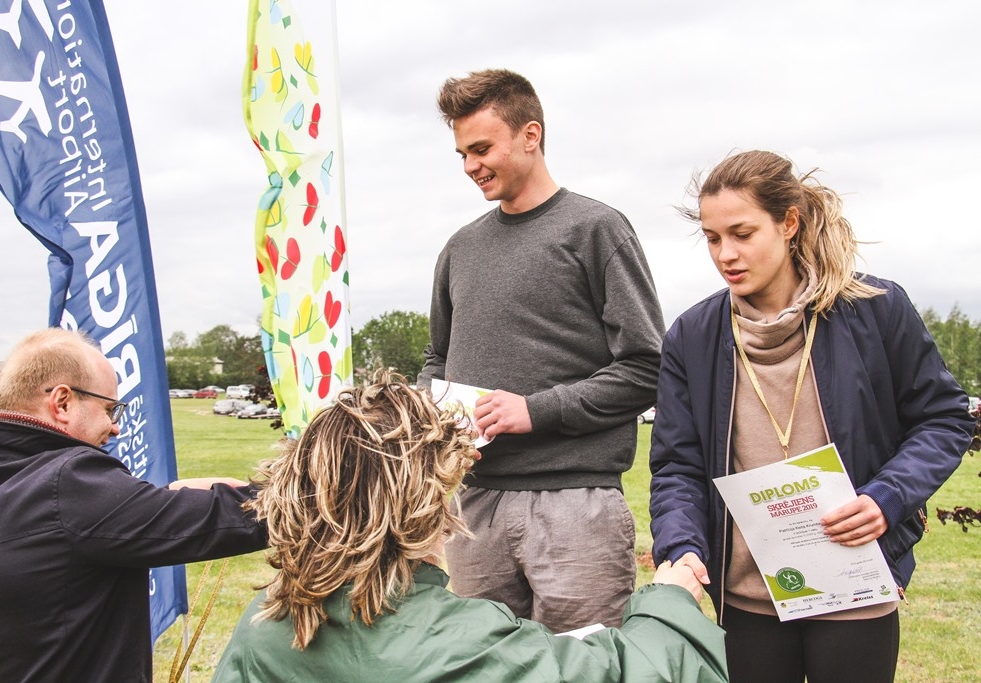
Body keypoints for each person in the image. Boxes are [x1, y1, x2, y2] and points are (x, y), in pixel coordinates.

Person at [648, 150, 974, 683]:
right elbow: (677, 467)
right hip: (747, 601)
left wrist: (886, 498)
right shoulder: (692, 335)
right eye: (712, 238)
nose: (725, 253)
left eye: (742, 233)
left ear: (789, 223)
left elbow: (944, 419)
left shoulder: (875, 308)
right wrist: (682, 547)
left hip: (857, 589)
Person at [212, 371, 727, 683]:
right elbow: (634, 671)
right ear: (424, 503)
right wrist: (667, 602)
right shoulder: (461, 646)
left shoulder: (263, 624)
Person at [417, 68, 665, 632]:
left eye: (481, 148)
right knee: (485, 670)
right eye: (460, 154)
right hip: (474, 507)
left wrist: (534, 410)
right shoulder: (459, 249)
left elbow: (647, 366)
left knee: (583, 665)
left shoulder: (597, 229)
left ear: (531, 135)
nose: (470, 166)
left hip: (575, 504)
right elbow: (437, 360)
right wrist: (434, 408)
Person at [0, 328, 268, 682]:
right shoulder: (69, 482)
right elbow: (227, 516)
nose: (115, 427)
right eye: (109, 409)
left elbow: (49, 537)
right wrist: (320, 490)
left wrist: (160, 498)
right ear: (62, 402)